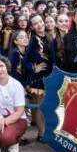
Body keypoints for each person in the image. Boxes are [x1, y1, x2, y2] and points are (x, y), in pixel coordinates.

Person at [24, 13, 55, 142]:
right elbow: (26, 60)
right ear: (32, 26)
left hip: (50, 76)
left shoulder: (49, 37)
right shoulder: (33, 40)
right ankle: (41, 133)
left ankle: (47, 131)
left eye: (40, 22)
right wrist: (33, 68)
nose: (39, 25)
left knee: (47, 106)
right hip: (38, 79)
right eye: (35, 23)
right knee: (39, 106)